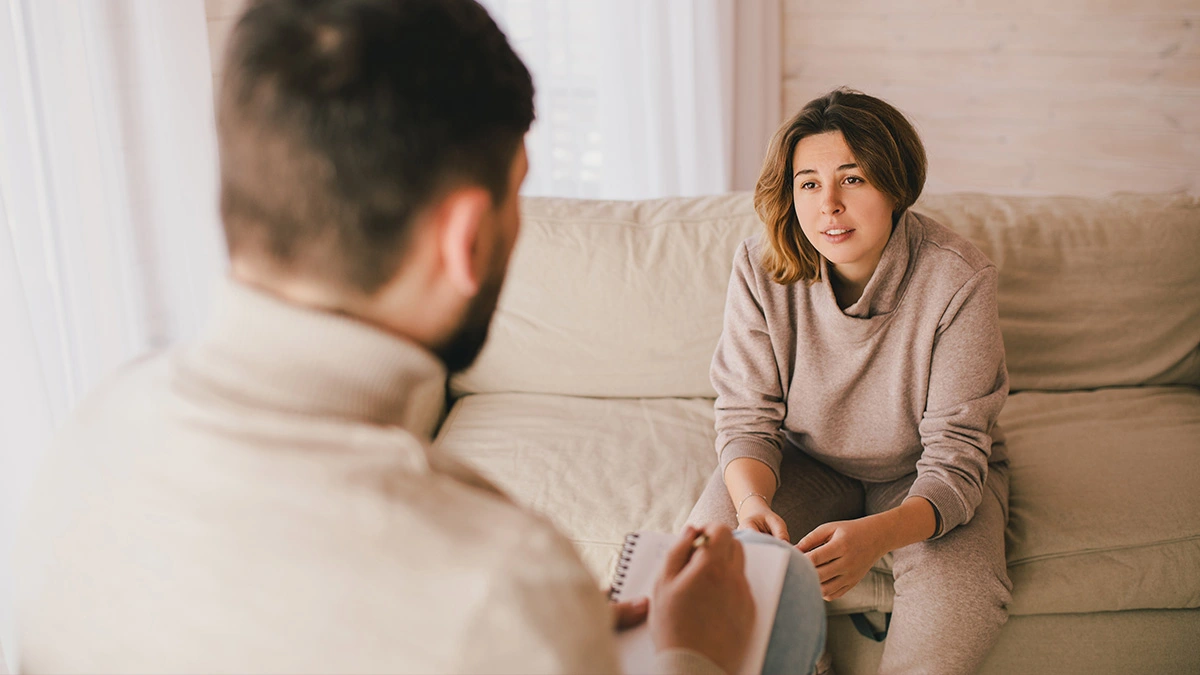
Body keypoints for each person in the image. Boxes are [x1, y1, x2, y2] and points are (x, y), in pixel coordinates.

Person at [15, 1, 825, 673]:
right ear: (465, 238)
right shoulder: (499, 584)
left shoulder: (89, 428)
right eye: (517, 194)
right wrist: (696, 654)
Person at [686, 88, 1012, 675]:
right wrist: (752, 501)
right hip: (804, 461)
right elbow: (746, 417)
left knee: (959, 612)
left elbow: (957, 460)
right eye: (808, 183)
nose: (828, 204)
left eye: (853, 179)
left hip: (924, 475)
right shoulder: (761, 267)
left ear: (895, 185)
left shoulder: (958, 278)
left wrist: (877, 536)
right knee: (700, 570)